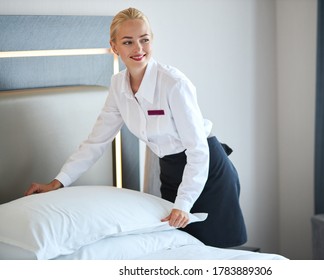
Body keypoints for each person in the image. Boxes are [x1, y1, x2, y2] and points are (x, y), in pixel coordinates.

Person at [25, 7, 247, 248]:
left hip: (206, 172)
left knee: (217, 252)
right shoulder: (118, 85)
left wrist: (183, 203)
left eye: (144, 40)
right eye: (128, 42)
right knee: (181, 249)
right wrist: (58, 182)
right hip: (171, 172)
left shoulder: (174, 84)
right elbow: (96, 142)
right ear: (114, 46)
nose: (138, 49)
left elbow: (197, 150)